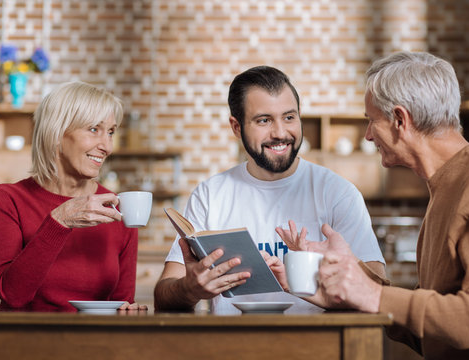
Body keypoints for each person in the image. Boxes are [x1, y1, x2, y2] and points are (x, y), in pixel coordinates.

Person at [278, 51, 469, 359]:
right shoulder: (446, 187)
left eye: (372, 120)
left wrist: (375, 294)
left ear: (400, 120)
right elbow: (435, 332)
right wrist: (350, 286)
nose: (368, 135)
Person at [154, 66, 386, 314]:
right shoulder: (209, 195)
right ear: (236, 127)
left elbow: (379, 293)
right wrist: (189, 289)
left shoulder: (338, 193)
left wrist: (343, 267)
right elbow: (163, 298)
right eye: (264, 120)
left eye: (289, 117)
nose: (280, 133)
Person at [0, 81, 147, 312]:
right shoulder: (8, 199)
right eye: (94, 129)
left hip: (95, 344)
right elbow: (13, 295)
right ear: (57, 133)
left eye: (111, 132)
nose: (107, 146)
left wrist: (128, 312)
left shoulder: (116, 206)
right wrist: (59, 222)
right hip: (26, 344)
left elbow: (122, 303)